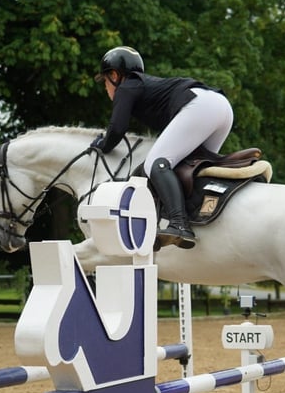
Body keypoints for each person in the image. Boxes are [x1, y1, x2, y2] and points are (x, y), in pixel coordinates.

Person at [92, 46, 234, 249]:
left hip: (200, 107)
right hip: (222, 108)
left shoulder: (126, 87)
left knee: (155, 164)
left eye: (105, 82)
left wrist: (101, 145)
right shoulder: (145, 86)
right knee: (192, 169)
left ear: (114, 76)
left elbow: (117, 129)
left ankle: (179, 224)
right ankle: (202, 217)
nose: (106, 88)